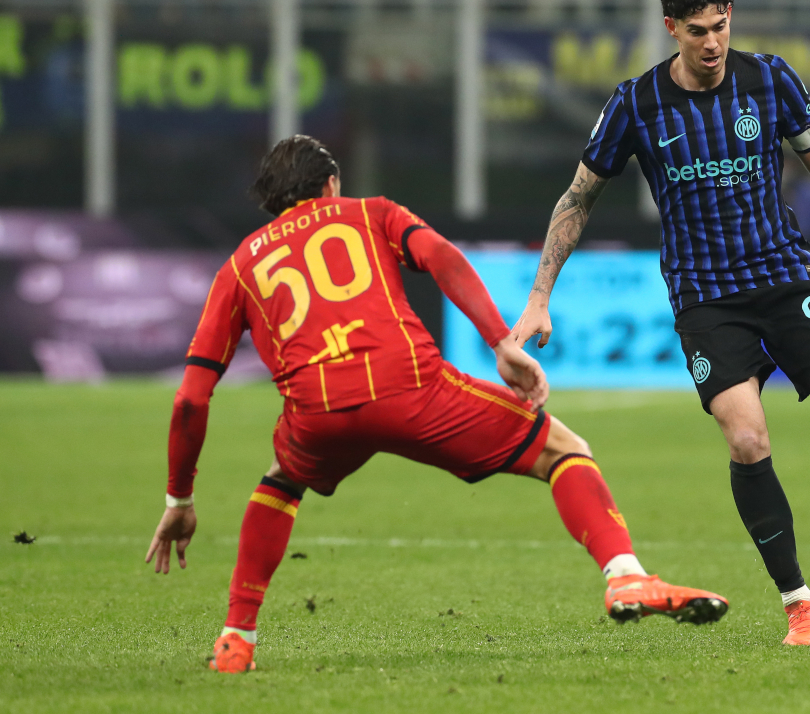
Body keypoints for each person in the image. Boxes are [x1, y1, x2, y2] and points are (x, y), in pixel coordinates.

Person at [144, 135, 728, 673]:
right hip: (409, 388)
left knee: (281, 481)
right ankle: (625, 576)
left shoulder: (240, 265)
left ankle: (237, 639)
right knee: (562, 448)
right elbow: (442, 257)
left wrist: (180, 499)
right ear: (330, 185)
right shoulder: (370, 213)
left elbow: (191, 398)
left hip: (317, 413)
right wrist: (501, 343)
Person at [511, 0, 810, 647]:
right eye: (697, 31)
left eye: (721, 26)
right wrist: (539, 296)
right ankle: (799, 603)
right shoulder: (636, 103)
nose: (713, 42)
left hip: (787, 276)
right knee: (748, 438)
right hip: (706, 298)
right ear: (672, 28)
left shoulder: (771, 79)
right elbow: (578, 198)